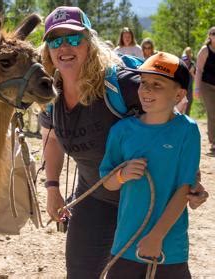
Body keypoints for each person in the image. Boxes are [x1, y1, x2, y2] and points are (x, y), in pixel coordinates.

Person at [39, 6, 208, 278]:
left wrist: (191, 177)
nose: (64, 47)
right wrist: (52, 187)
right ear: (47, 48)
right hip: (95, 196)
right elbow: (54, 138)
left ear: (89, 43)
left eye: (73, 39)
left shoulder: (123, 85)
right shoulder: (50, 91)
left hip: (145, 202)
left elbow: (172, 118)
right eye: (55, 40)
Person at [100, 52, 199, 278]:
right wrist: (122, 175)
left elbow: (184, 188)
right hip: (126, 243)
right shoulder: (121, 131)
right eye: (143, 83)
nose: (147, 90)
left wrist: (156, 237)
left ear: (179, 94)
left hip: (170, 247)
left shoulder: (187, 131)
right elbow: (107, 182)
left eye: (157, 84)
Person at [195, 26, 215, 156]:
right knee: (212, 112)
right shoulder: (205, 50)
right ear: (210, 36)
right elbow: (199, 70)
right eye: (213, 34)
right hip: (207, 85)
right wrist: (196, 88)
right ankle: (213, 141)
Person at [177, 47, 196, 115]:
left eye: (189, 54)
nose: (188, 57)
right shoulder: (182, 62)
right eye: (187, 54)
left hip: (189, 88)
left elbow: (196, 77)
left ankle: (186, 117)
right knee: (181, 103)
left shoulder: (193, 64)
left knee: (189, 103)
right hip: (182, 87)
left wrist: (192, 73)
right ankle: (179, 117)